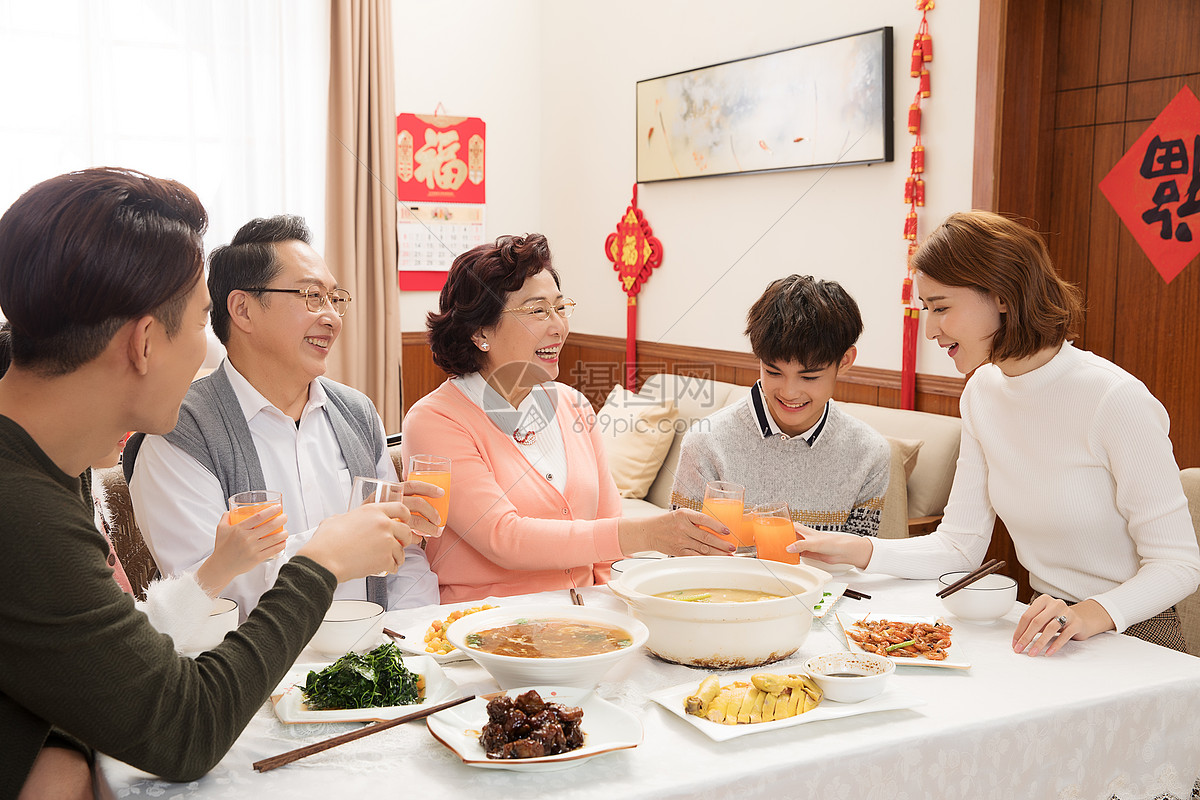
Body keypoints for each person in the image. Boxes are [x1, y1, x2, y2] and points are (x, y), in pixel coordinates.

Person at [0, 168, 419, 798]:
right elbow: (182, 731)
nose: (208, 351)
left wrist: (59, 747)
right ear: (145, 343)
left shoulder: (52, 466)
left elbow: (95, 660)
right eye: (202, 322)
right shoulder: (24, 509)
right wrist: (320, 560)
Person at [791, 210, 1200, 656]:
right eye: (926, 310)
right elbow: (960, 545)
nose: (931, 330)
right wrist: (857, 549)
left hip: (1135, 631)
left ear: (1002, 296)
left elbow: (1178, 564)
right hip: (1045, 623)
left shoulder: (1115, 399)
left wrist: (1088, 613)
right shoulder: (982, 392)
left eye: (942, 308)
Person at [125, 215, 440, 615]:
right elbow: (208, 589)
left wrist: (414, 639)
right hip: (257, 668)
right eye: (312, 296)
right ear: (243, 309)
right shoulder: (180, 430)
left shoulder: (357, 413)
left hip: (374, 653)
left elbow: (404, 556)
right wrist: (339, 543)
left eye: (334, 298)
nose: (332, 317)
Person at [401, 233, 733, 603]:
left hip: (585, 625)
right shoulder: (435, 421)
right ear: (481, 331)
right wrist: (647, 534)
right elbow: (502, 537)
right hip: (486, 631)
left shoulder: (573, 405)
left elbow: (607, 536)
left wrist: (620, 615)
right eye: (537, 310)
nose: (559, 326)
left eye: (561, 307)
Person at [0, 323, 283, 644]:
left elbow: (128, 631)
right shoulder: (33, 511)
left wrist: (221, 567)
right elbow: (122, 651)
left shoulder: (82, 485)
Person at [670, 275, 890, 537]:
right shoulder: (705, 443)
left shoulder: (869, 453)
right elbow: (681, 556)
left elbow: (856, 564)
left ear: (844, 360)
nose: (789, 392)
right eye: (773, 372)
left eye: (809, 377)